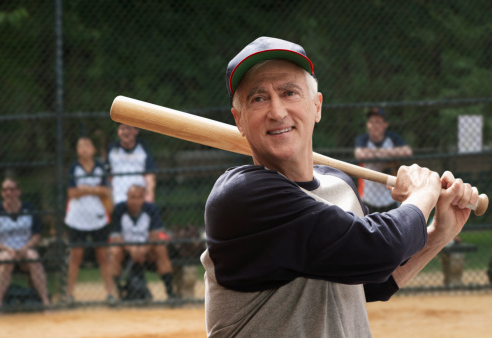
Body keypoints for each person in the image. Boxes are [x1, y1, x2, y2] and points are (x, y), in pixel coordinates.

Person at [200, 36, 479, 337]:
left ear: (316, 106)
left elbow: (371, 280)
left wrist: (440, 233)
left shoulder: (339, 185)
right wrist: (422, 194)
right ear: (238, 120)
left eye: (289, 92)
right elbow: (379, 250)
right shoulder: (243, 195)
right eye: (258, 98)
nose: (277, 111)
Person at [0, 178, 50, 311]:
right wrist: (8, 249)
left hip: (24, 249)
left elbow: (37, 235)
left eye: (12, 189)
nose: (8, 193)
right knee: (7, 260)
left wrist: (24, 248)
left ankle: (45, 302)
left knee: (34, 257)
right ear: (2, 193)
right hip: (3, 250)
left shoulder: (28, 208)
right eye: (5, 190)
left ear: (18, 192)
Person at [64, 136, 116, 304]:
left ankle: (110, 293)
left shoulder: (101, 167)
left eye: (87, 145)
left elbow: (106, 191)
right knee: (75, 256)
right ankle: (69, 294)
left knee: (103, 256)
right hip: (77, 218)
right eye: (80, 146)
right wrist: (95, 190)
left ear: (93, 149)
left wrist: (85, 189)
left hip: (98, 217)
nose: (84, 149)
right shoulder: (74, 168)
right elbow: (71, 193)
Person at [109, 185, 175, 299]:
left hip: (147, 251)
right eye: (132, 197)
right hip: (126, 250)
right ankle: (117, 293)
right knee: (114, 250)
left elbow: (155, 235)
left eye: (138, 198)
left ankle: (170, 293)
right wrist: (131, 249)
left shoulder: (151, 209)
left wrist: (144, 249)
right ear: (127, 197)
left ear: (143, 198)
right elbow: (116, 237)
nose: (135, 201)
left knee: (160, 248)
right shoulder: (119, 209)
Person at [354, 107, 413, 213]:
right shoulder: (363, 139)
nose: (374, 125)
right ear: (368, 125)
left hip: (390, 198)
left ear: (385, 124)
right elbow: (360, 154)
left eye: (377, 122)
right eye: (371, 122)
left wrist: (374, 154)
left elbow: (407, 151)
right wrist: (389, 153)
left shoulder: (392, 137)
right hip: (368, 198)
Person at [106, 123, 157, 205]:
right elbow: (108, 176)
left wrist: (149, 195)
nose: (125, 132)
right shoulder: (112, 149)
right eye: (122, 129)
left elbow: (150, 175)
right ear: (118, 132)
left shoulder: (143, 149)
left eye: (129, 128)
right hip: (117, 199)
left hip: (139, 200)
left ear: (136, 131)